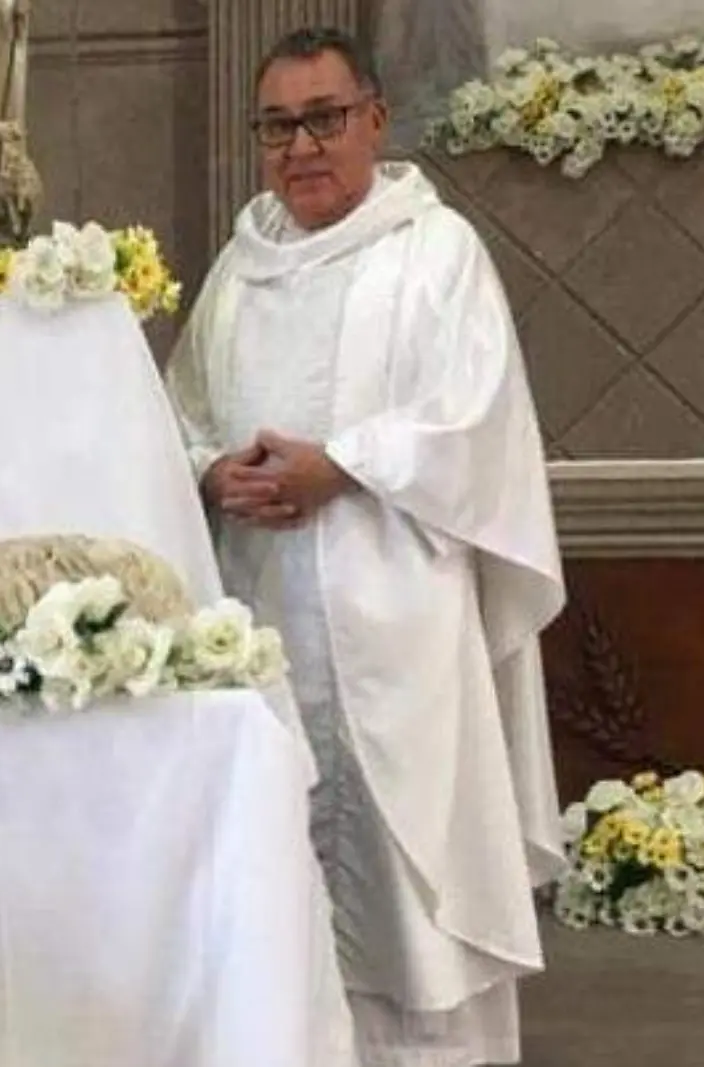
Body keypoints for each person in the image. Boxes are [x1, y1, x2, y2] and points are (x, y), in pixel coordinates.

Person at [165, 27, 569, 1067]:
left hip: (399, 629)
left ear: (374, 121)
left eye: (323, 119)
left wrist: (335, 463)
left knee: (410, 881)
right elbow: (179, 413)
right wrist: (214, 471)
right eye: (277, 126)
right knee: (279, 868)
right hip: (262, 618)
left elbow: (472, 418)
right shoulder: (238, 268)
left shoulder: (434, 252)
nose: (301, 147)